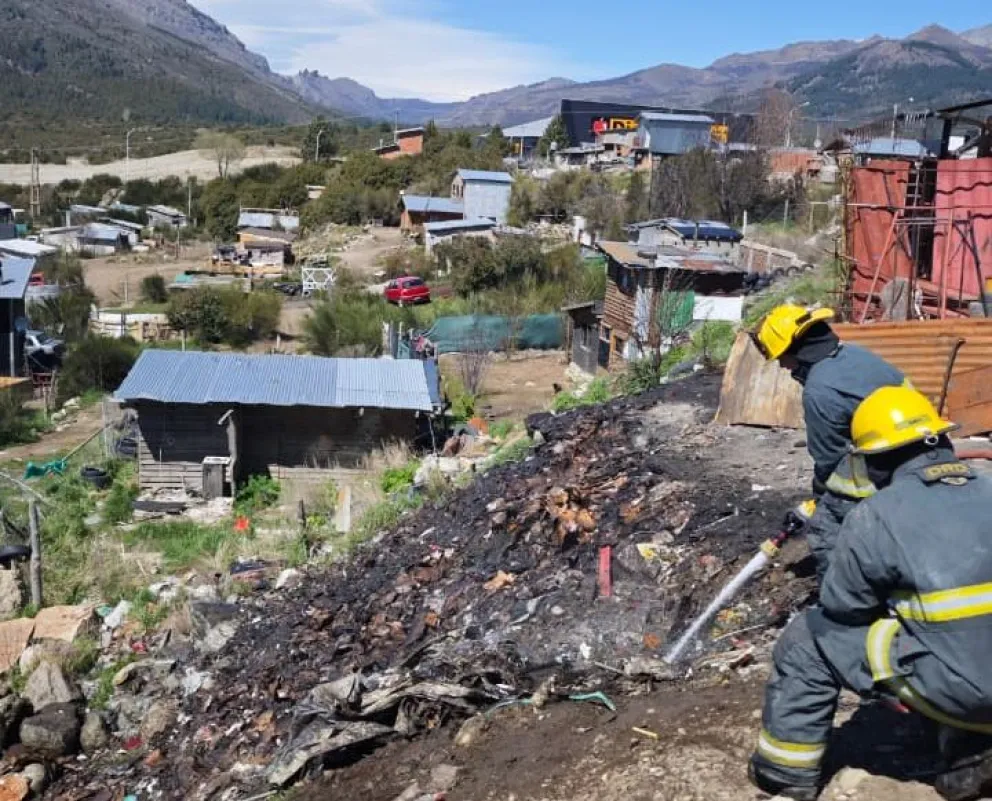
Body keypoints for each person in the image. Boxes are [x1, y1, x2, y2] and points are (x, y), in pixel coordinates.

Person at [749, 386, 992, 801]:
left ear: (876, 461)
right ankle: (969, 752)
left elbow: (843, 608)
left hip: (968, 691)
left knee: (807, 639)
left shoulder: (875, 516)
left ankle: (784, 771)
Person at [752, 305, 905, 581]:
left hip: (890, 475)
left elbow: (831, 464)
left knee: (826, 529)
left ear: (797, 348)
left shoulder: (820, 391)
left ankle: (840, 602)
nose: (782, 366)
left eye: (781, 358)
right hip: (924, 452)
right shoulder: (859, 356)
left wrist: (819, 503)